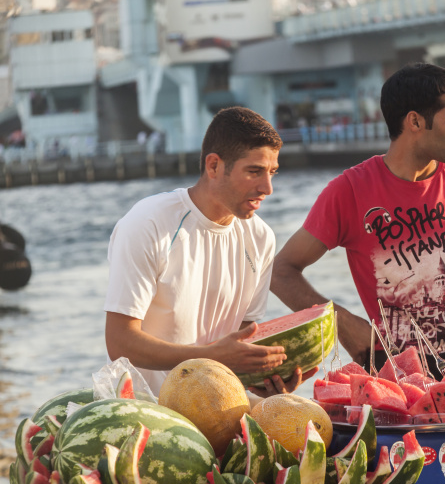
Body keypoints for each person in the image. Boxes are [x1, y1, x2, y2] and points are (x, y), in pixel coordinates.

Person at [271, 63, 445, 375]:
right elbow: (280, 273)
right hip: (397, 378)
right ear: (415, 121)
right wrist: (342, 323)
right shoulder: (349, 191)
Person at [104, 106, 316, 398]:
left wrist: (266, 380)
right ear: (214, 166)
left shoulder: (261, 238)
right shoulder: (148, 223)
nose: (267, 187)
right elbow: (119, 342)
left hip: (217, 409)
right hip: (146, 410)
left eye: (272, 173)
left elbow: (239, 348)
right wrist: (211, 357)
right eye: (254, 171)